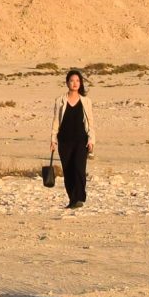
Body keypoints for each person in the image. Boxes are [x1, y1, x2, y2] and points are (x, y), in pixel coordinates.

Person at [51, 69, 94, 209]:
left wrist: (91, 139)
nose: (75, 83)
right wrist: (53, 139)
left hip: (81, 140)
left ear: (80, 83)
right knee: (68, 170)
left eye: (77, 81)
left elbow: (90, 123)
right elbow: (55, 121)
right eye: (72, 80)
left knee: (79, 169)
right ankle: (72, 200)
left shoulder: (86, 101)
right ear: (67, 83)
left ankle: (80, 197)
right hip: (64, 141)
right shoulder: (60, 101)